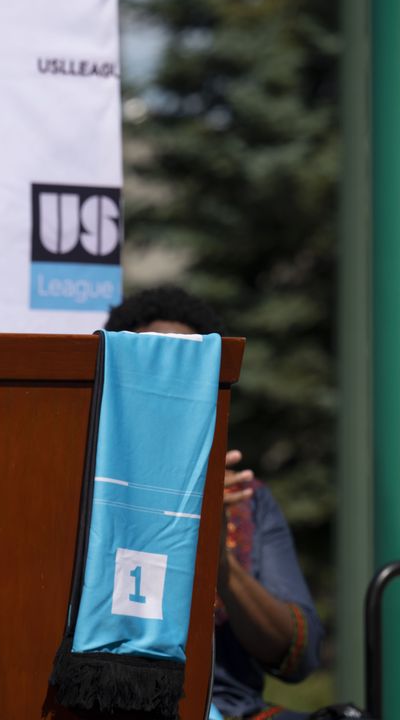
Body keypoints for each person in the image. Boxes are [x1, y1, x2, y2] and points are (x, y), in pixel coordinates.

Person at [106, 286, 324, 720]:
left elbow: (298, 654)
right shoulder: (92, 485)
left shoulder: (245, 500)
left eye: (183, 375)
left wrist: (220, 564)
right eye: (152, 370)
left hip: (230, 708)